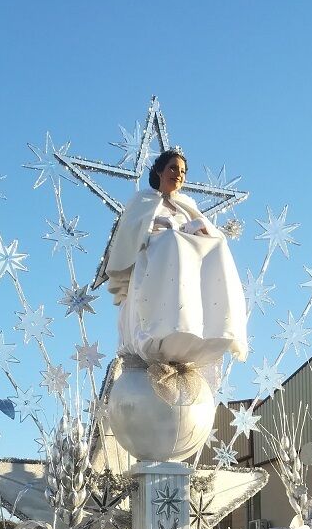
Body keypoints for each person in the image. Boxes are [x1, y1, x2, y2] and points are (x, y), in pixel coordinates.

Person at [106, 149, 247, 385]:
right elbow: (132, 234)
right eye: (173, 168)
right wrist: (160, 225)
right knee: (173, 241)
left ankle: (210, 320)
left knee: (217, 243)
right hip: (156, 256)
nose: (178, 174)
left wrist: (200, 227)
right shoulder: (143, 202)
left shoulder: (187, 204)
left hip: (186, 261)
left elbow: (205, 232)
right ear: (159, 171)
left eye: (182, 171)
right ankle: (162, 324)